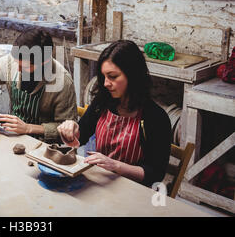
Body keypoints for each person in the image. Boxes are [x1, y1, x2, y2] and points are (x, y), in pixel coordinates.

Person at [57, 40, 171, 187]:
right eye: (104, 76)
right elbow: (82, 136)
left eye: (113, 76)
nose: (105, 83)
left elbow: (155, 174)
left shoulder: (155, 117)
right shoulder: (103, 102)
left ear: (133, 75)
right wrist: (71, 130)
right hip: (101, 181)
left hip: (133, 189)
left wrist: (115, 166)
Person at [0, 28, 77, 143]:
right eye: (17, 64)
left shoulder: (63, 81)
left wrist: (29, 128)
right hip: (13, 136)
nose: (18, 70)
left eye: (24, 67)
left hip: (43, 146)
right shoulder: (13, 61)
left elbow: (66, 129)